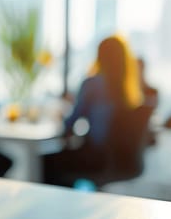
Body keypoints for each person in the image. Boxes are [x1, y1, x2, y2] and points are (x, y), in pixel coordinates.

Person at [43, 35, 144, 187]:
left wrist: (61, 116)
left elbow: (70, 124)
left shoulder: (92, 84)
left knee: (46, 162)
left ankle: (62, 206)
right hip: (126, 162)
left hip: (98, 158)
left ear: (99, 56)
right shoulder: (130, 91)